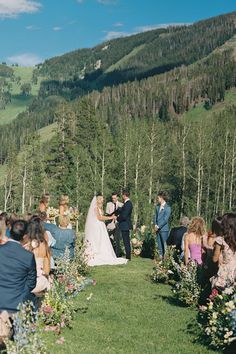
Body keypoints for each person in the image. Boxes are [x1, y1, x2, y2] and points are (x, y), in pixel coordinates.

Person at [0, 220, 36, 312]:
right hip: (16, 303)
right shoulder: (28, 256)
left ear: (10, 229)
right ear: (25, 236)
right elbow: (31, 283)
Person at [85, 195, 128, 266]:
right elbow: (99, 217)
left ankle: (104, 253)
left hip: (101, 226)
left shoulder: (100, 208)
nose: (103, 200)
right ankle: (96, 254)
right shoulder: (95, 208)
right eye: (101, 199)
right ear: (98, 200)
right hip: (97, 226)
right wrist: (110, 217)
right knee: (97, 240)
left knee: (103, 240)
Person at [24, 218, 51, 294]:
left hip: (25, 281)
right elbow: (46, 270)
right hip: (39, 281)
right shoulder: (44, 245)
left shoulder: (25, 245)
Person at [211, 213, 236, 290]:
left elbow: (214, 259)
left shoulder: (220, 240)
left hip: (224, 272)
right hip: (234, 271)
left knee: (218, 297)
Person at [153, 191, 171, 258]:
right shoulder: (157, 207)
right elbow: (155, 216)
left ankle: (165, 259)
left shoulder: (168, 208)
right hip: (157, 229)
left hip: (164, 229)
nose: (157, 199)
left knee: (164, 245)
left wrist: (158, 226)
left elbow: (165, 220)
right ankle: (160, 259)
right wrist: (155, 224)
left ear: (162, 198)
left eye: (158, 198)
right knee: (159, 245)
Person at [106, 192, 123, 257]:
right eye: (112, 198)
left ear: (117, 197)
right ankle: (110, 254)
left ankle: (117, 254)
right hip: (110, 224)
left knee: (117, 240)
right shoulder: (108, 204)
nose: (113, 199)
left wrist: (117, 217)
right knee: (110, 240)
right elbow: (107, 215)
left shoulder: (121, 204)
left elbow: (122, 215)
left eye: (114, 198)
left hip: (118, 224)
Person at [117, 190, 133, 260]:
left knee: (126, 241)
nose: (122, 197)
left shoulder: (128, 204)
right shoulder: (126, 203)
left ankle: (128, 256)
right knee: (125, 241)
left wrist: (117, 218)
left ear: (124, 195)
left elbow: (124, 216)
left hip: (125, 225)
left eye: (122, 195)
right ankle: (128, 256)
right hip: (124, 225)